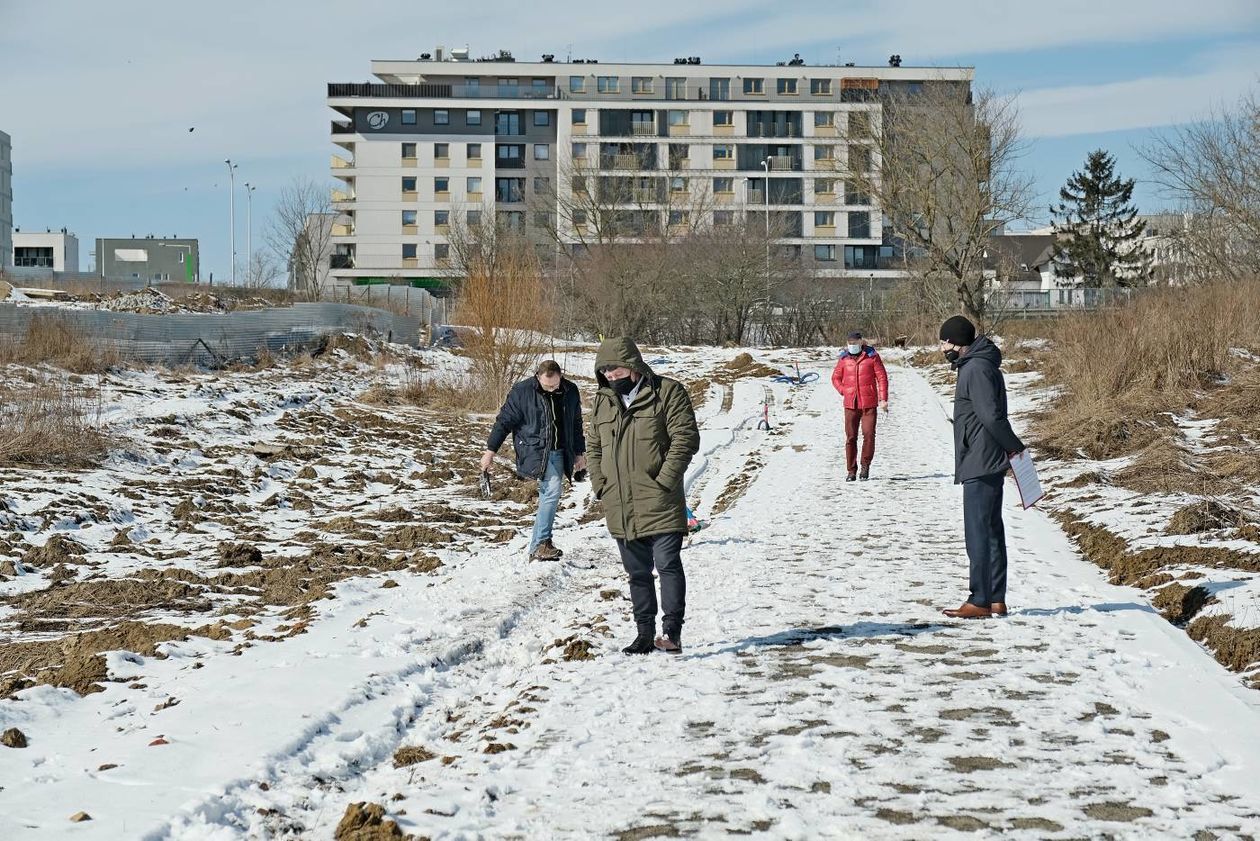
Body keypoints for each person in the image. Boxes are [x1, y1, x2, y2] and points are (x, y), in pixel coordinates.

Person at [587, 338, 700, 654]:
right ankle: (644, 634)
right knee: (637, 573)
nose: (610, 375)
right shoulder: (603, 402)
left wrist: (664, 481)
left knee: (667, 564)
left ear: (633, 364)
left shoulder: (667, 392)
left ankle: (672, 632)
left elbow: (686, 438)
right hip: (620, 502)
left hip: (660, 500)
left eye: (614, 367)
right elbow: (594, 447)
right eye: (604, 370)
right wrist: (601, 484)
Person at [938, 316, 1025, 619]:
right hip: (982, 455)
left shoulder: (974, 368)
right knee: (990, 529)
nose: (942, 347)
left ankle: (979, 599)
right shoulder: (978, 365)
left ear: (959, 343)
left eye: (945, 341)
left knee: (978, 531)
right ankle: (995, 597)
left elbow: (991, 416)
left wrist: (1014, 447)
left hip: (980, 458)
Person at [481, 360, 586, 561]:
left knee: (549, 495)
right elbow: (504, 422)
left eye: (555, 385)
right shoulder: (522, 391)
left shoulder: (570, 390)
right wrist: (490, 451)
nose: (552, 389)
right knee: (552, 491)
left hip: (562, 451)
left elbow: (576, 423)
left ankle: (536, 547)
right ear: (538, 376)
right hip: (535, 450)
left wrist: (579, 453)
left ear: (561, 377)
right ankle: (542, 543)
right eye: (547, 386)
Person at [830, 331, 889, 481]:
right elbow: (835, 377)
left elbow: (882, 377)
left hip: (868, 404)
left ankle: (865, 465)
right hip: (850, 404)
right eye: (850, 344)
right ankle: (851, 470)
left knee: (869, 435)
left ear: (861, 343)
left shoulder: (872, 356)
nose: (852, 346)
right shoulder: (844, 359)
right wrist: (843, 390)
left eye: (855, 344)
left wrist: (883, 399)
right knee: (851, 437)